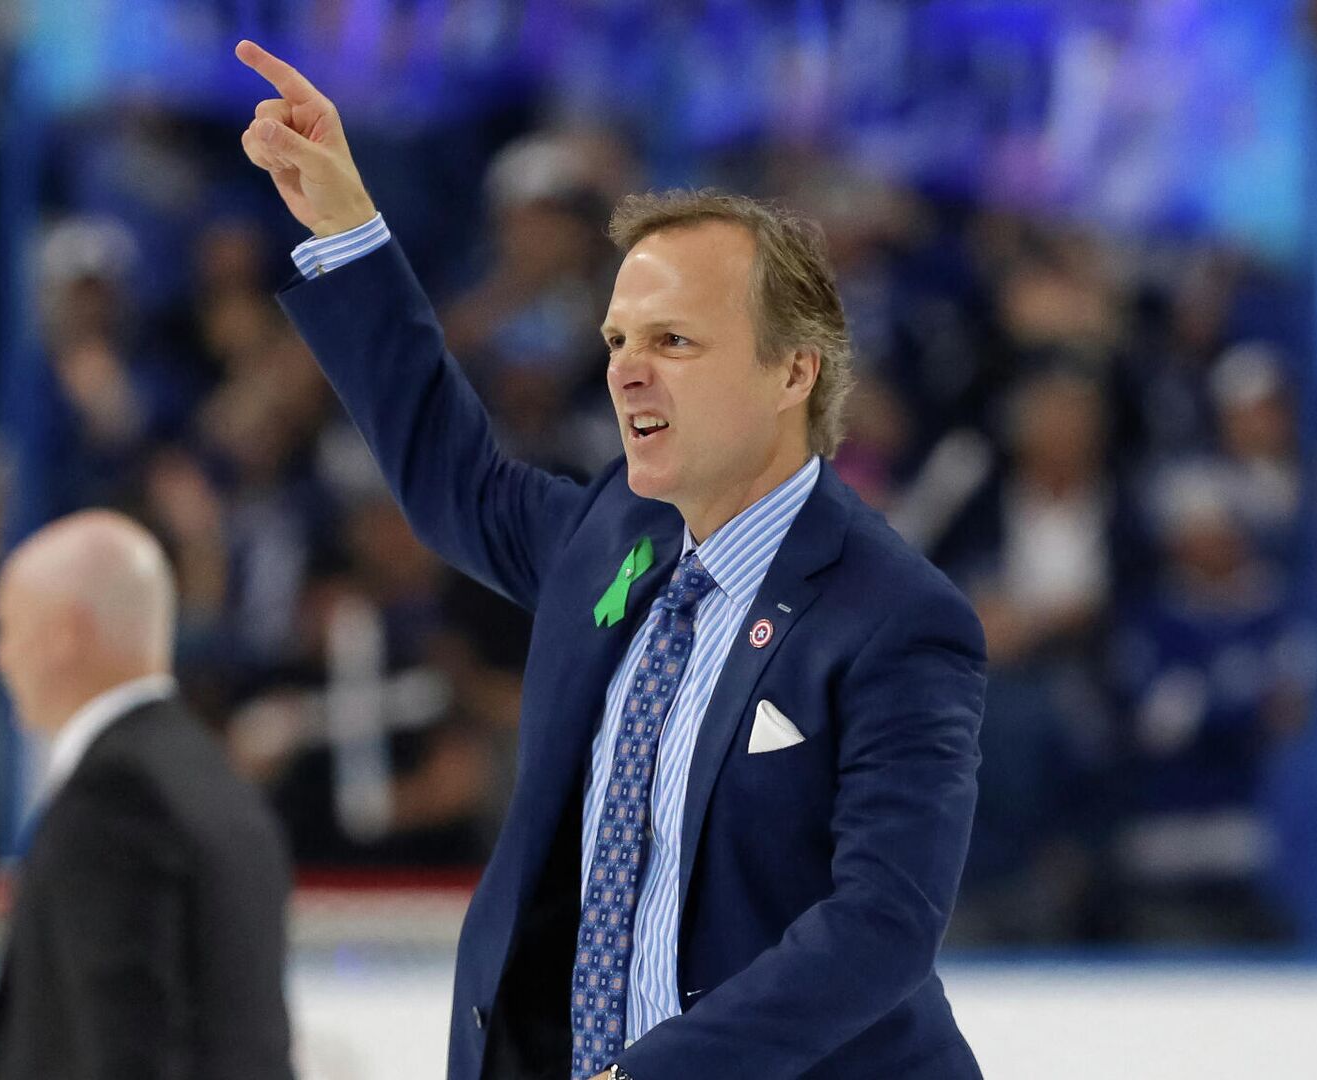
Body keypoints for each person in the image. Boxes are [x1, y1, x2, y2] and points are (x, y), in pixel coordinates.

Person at [236, 40, 988, 1080]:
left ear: (792, 373)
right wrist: (346, 230)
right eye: (616, 341)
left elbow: (881, 926)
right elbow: (456, 478)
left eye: (672, 342)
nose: (626, 373)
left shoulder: (897, 618)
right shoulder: (613, 544)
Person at [0, 510, 296, 1080]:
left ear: (65, 634)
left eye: (8, 628)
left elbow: (127, 1052)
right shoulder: (219, 783)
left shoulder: (114, 797)